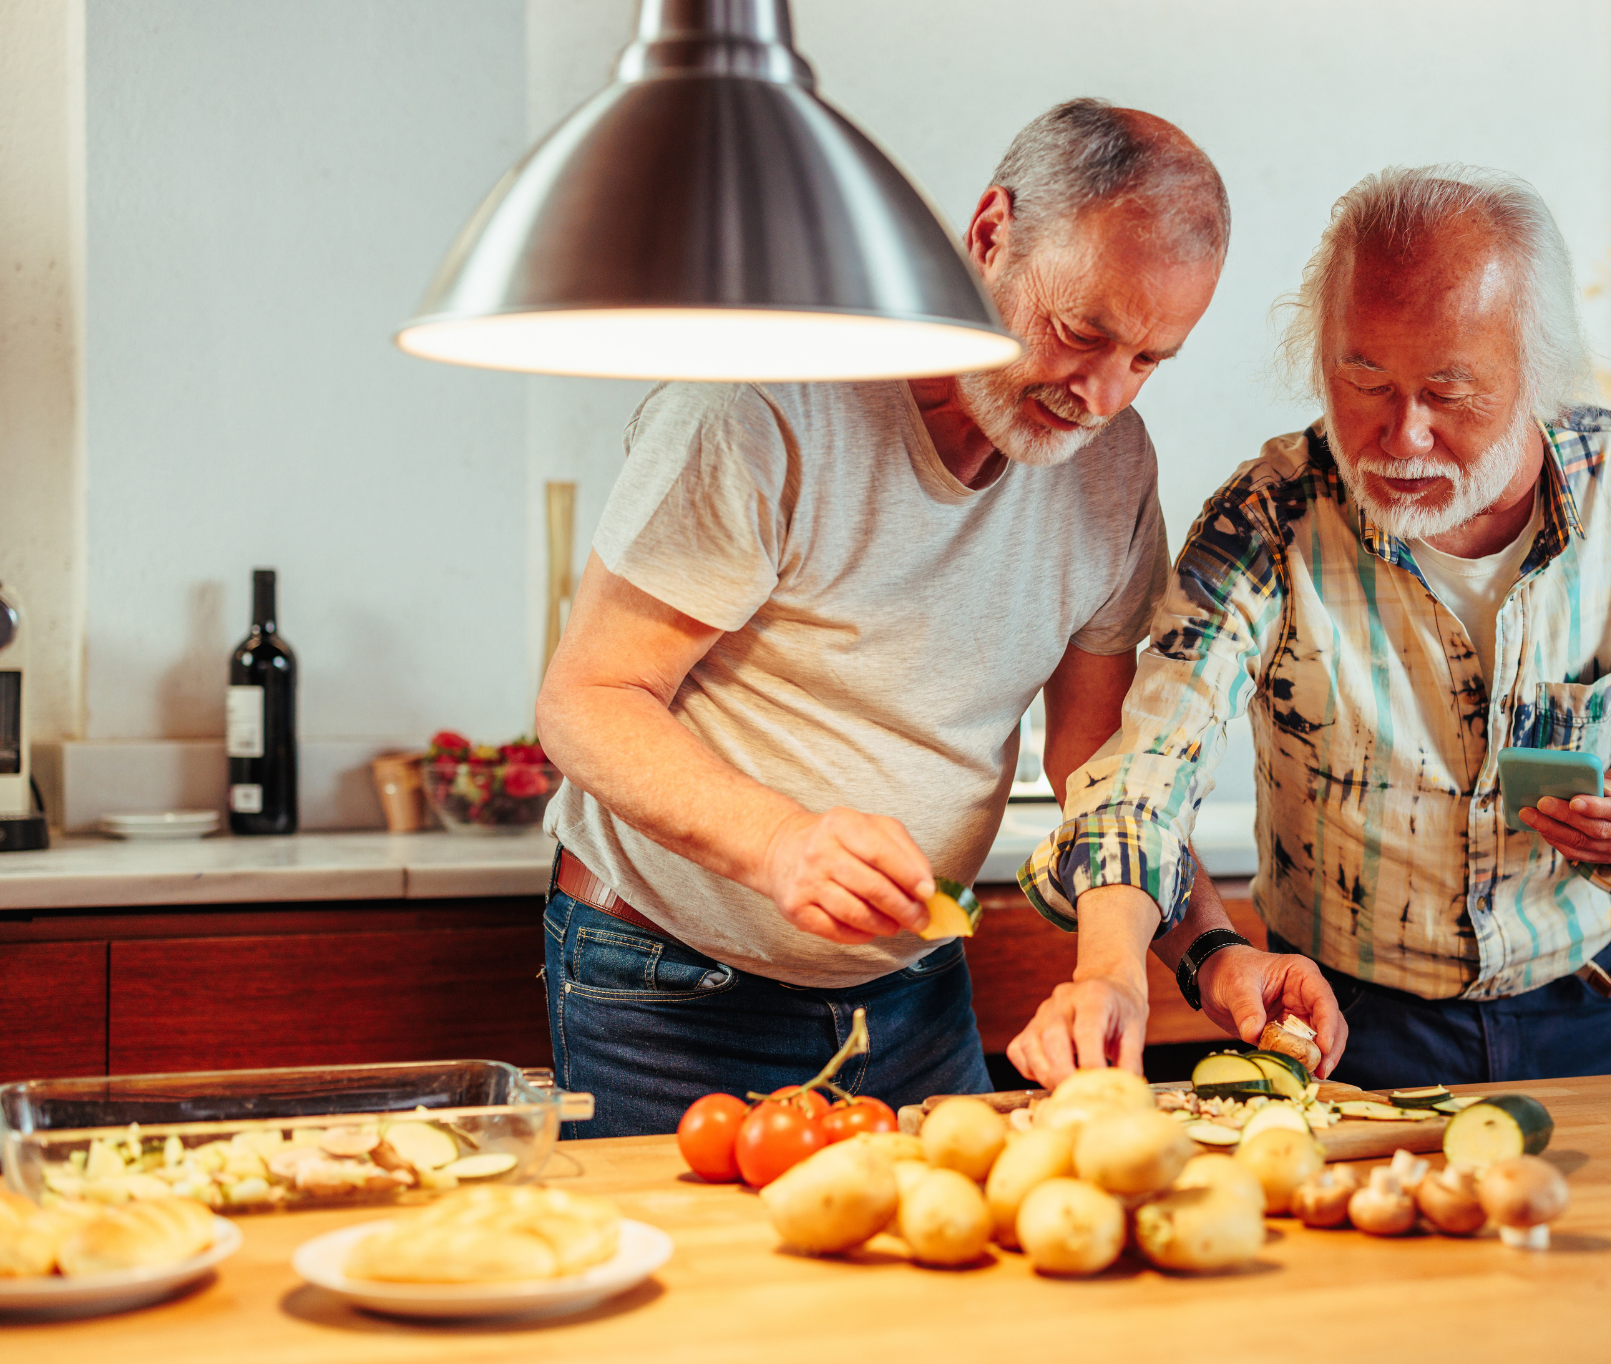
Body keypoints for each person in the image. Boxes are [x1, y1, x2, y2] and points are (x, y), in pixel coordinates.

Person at [534, 99, 1343, 1137]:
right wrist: (778, 843)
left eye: (1148, 359)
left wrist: (1208, 949)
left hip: (913, 994)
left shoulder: (1110, 465)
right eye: (1081, 332)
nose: (1101, 396)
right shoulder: (763, 403)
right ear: (990, 232)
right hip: (666, 986)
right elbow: (587, 701)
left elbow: (1099, 766)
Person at [1018, 164, 1611, 1089]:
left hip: (1592, 1001)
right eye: (1363, 380)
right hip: (1345, 1018)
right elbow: (1147, 766)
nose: (1402, 437)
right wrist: (1110, 968)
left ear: (1539, 375)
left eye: (1449, 392)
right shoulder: (1270, 520)